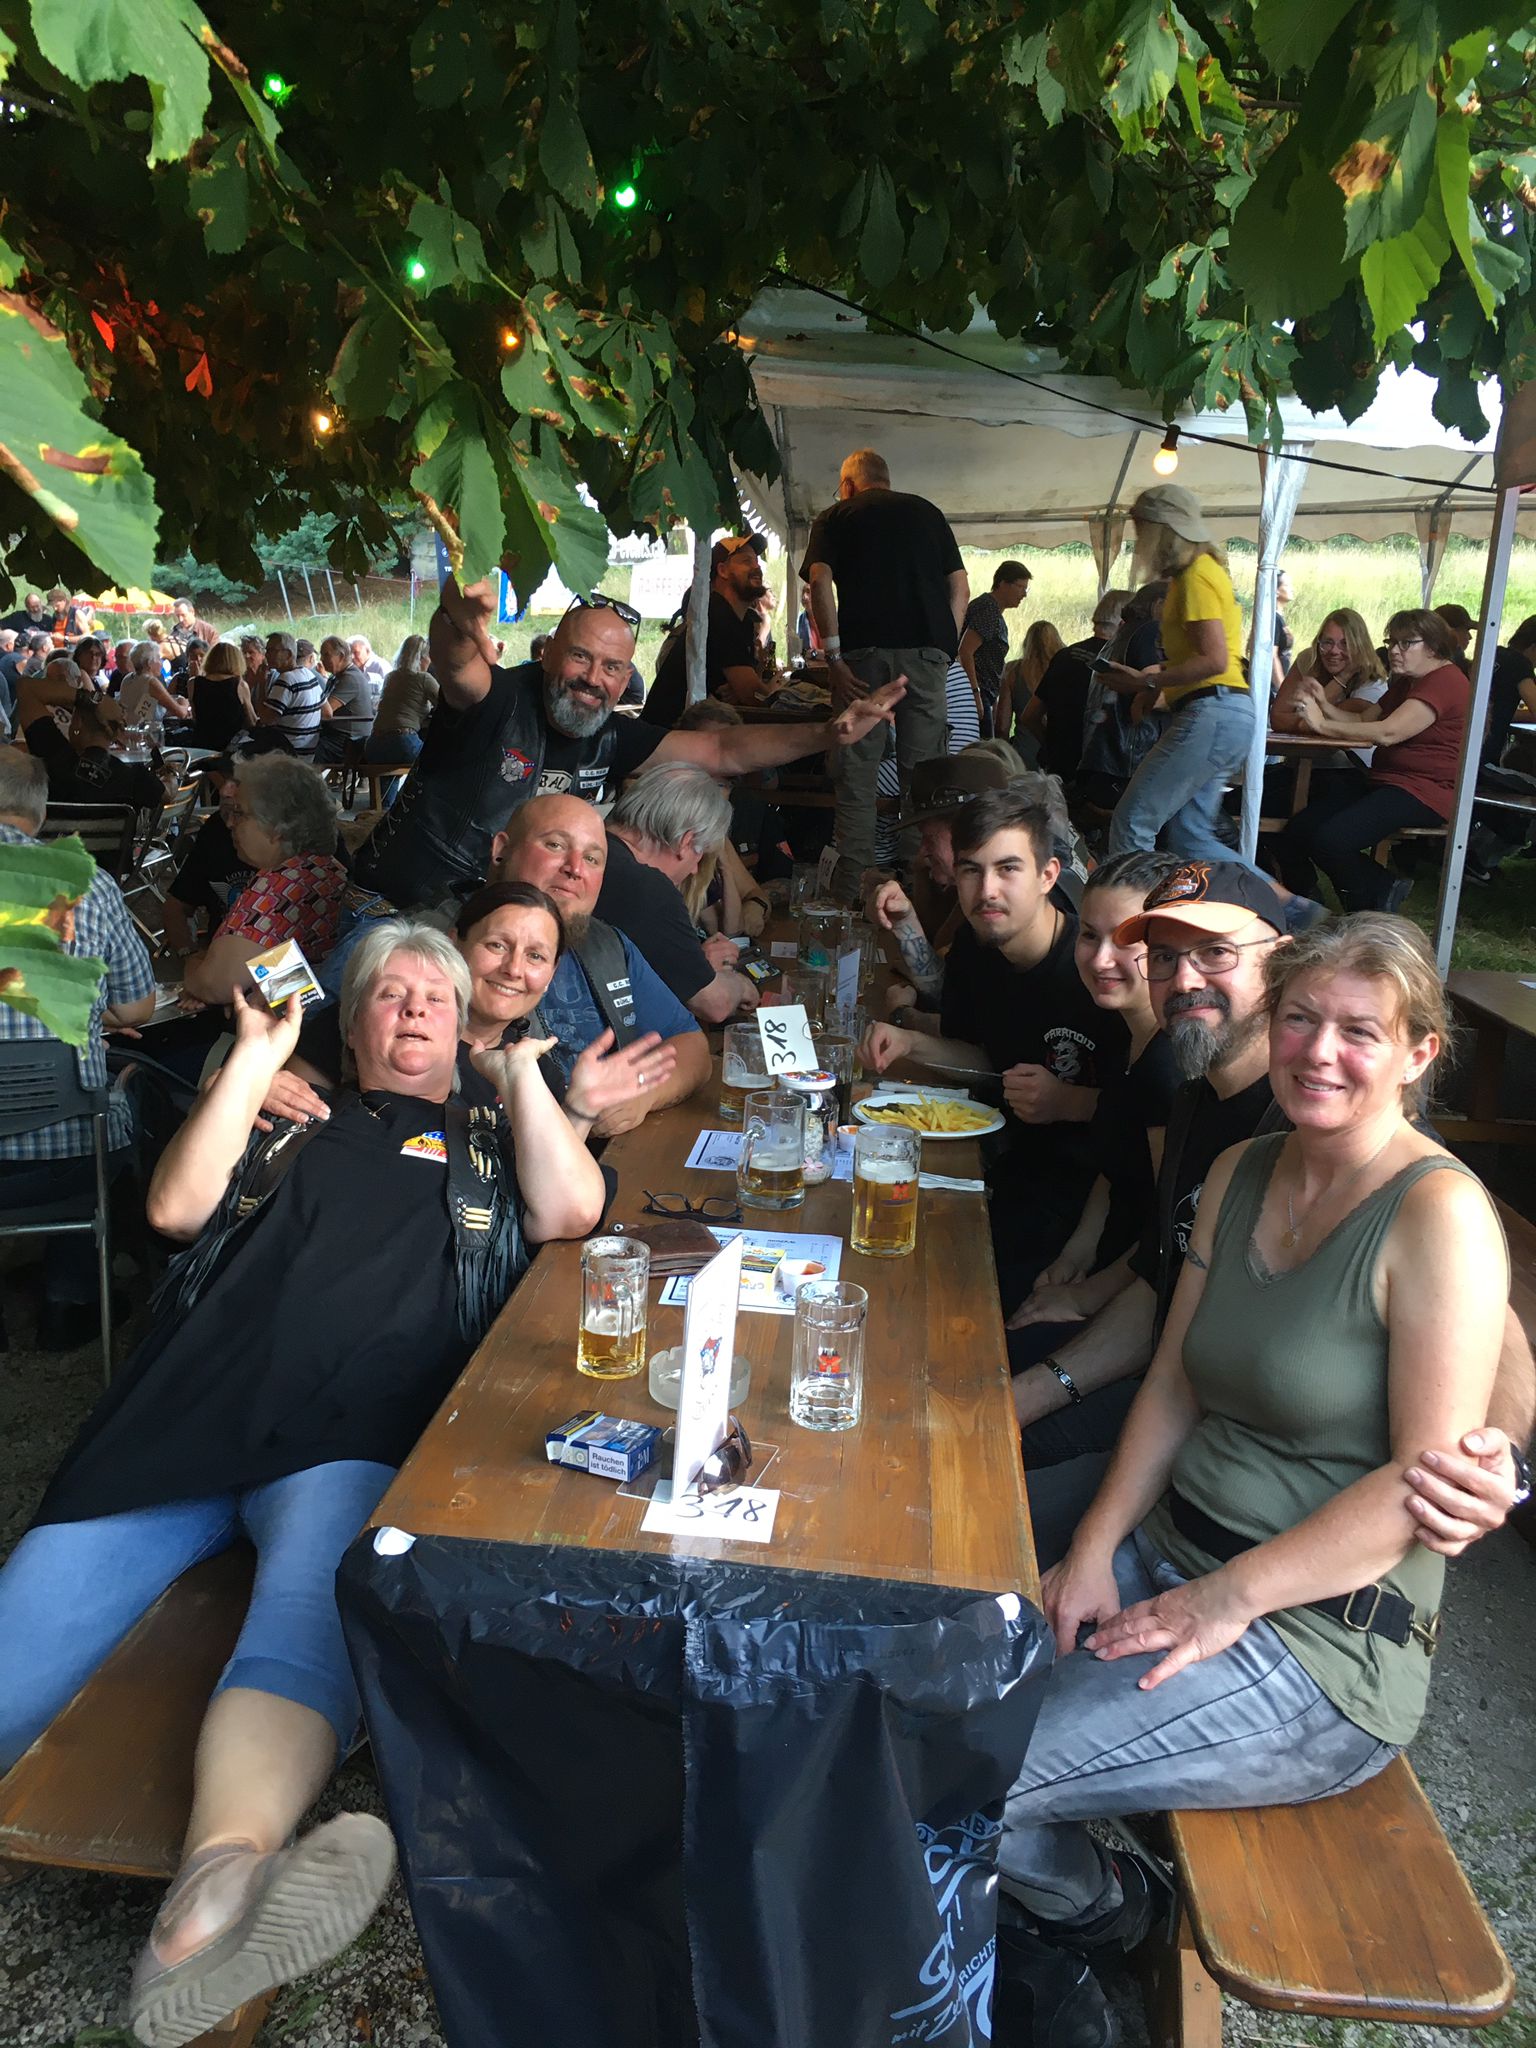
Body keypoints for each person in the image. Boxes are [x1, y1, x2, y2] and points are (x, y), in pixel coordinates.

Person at [0, 921, 608, 2041]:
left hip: (352, 1431)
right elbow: (176, 1208)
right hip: (184, 1417)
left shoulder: (489, 1137)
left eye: (436, 995)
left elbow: (572, 1211)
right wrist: (250, 1057)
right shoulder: (285, 1113)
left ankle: (214, 1888)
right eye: (390, 993)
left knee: (308, 1617)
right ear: (354, 1022)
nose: (414, 1008)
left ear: (463, 1026)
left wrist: (522, 1070)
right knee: (21, 1646)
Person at [994, 915, 1520, 2048]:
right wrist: (1096, 1548)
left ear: (1418, 1053)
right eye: (1300, 1018)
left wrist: (1219, 1599)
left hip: (1319, 1640)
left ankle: (1108, 1912)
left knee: (972, 1770)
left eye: (1360, 1031)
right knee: (921, 1657)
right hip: (1173, 1548)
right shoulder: (1242, 1169)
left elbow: (1416, 1486)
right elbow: (1175, 1380)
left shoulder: (1437, 1215)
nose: (1319, 1051)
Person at [1009, 860, 1534, 1570]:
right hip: (1186, 1415)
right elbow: (1165, 1280)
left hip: (1262, 1484)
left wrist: (1496, 1458)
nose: (1183, 979)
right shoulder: (1197, 1098)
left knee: (993, 1489)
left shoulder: (1341, 1119)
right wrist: (1042, 1378)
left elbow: (1499, 1328)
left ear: (1279, 962)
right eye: (1164, 958)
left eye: (1214, 953)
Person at [352, 582, 903, 912]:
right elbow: (457, 666)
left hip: (491, 922)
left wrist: (826, 733)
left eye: (613, 667)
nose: (594, 679)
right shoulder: (502, 699)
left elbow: (723, 751)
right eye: (581, 657)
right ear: (548, 653)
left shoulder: (609, 736)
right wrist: (456, 617)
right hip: (397, 909)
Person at [862, 782, 1128, 1311]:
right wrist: (912, 1042)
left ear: (1048, 875)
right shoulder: (975, 946)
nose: (987, 890)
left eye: (1008, 869)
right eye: (971, 870)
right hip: (1003, 1170)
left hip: (1081, 1205)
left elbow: (1149, 1113)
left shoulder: (1098, 970)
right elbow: (986, 1059)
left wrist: (1069, 1102)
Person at [265, 881, 678, 1140]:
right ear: (453, 943)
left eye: (536, 956)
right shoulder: (374, 1027)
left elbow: (544, 1197)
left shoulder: (536, 1069)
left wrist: (579, 1112)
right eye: (496, 945)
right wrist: (254, 1087)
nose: (514, 969)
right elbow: (285, 1125)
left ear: (551, 975)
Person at [0, 747, 155, 1349]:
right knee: (122, 1098)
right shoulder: (90, 882)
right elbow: (136, 1009)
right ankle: (71, 1300)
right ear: (40, 812)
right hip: (68, 1161)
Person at [1007, 850, 1184, 1367]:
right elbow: (1116, 1163)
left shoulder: (1168, 1065)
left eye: (1128, 940)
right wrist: (1076, 1253)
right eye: (1089, 935)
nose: (1102, 958)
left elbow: (1170, 1223)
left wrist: (1085, 1295)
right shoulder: (1121, 1028)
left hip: (1143, 1300)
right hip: (1103, 1258)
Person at [801, 447, 968, 898]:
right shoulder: (929, 513)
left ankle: (853, 891)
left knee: (856, 772)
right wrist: (945, 649)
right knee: (924, 779)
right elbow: (960, 586)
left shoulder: (836, 516)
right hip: (927, 656)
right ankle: (920, 888)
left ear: (848, 485)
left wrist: (833, 657)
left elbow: (819, 581)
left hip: (864, 657)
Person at [1277, 609, 1469, 912]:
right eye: (1392, 642)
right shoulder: (1408, 682)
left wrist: (1321, 724)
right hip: (1387, 782)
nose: (1394, 650)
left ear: (1433, 647)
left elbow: (1388, 732)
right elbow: (1363, 719)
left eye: (1406, 643)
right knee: (1300, 829)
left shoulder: (1445, 681)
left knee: (1333, 840)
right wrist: (1324, 704)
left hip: (1425, 792)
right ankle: (1334, 902)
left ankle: (1370, 908)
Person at [1102, 486, 1256, 864]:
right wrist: (1157, 676)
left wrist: (1146, 682)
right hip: (1226, 711)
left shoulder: (1195, 577)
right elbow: (1211, 657)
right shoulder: (1202, 572)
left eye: (1142, 531)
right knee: (1189, 838)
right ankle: (1280, 898)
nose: (1140, 543)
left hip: (1213, 711)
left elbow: (1213, 660)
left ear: (1162, 531)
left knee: (1132, 822)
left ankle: (1129, 901)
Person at [867, 744, 1034, 1022]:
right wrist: (905, 921)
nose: (922, 852)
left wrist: (901, 1015)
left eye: (929, 838)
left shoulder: (1016, 901)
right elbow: (950, 994)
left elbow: (981, 1036)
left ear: (966, 832)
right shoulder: (982, 892)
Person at [181, 756, 347, 1007]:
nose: (230, 823)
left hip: (288, 1026)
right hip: (315, 1016)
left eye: (240, 813)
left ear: (276, 828)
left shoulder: (276, 887)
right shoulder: (329, 869)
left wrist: (193, 963)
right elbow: (286, 971)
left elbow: (216, 986)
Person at [601, 761, 760, 1021]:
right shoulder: (648, 887)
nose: (695, 869)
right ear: (686, 842)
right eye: (700, 854)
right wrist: (740, 985)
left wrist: (694, 965)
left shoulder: (592, 846)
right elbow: (715, 1005)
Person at [643, 533, 774, 729]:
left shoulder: (742, 620)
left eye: (757, 561)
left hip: (693, 731)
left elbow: (747, 686)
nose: (757, 567)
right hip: (670, 736)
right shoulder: (717, 613)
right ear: (722, 570)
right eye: (747, 561)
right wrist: (786, 700)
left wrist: (739, 688)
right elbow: (752, 693)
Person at [1018, 590, 1129, 791]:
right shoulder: (1118, 664)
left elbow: (1029, 716)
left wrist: (1052, 746)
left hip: (1056, 773)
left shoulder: (1064, 655)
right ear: (1123, 623)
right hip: (1096, 778)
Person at [160, 758, 253, 958]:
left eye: (238, 781)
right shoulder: (217, 828)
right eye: (225, 779)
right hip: (221, 960)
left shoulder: (297, 869)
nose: (224, 790)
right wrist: (189, 956)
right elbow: (176, 906)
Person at [25, 688, 168, 812]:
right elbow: (167, 795)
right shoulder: (135, 777)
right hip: (115, 837)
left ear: (78, 722)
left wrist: (88, 697)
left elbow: (26, 689)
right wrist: (172, 775)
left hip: (57, 836)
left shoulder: (53, 756)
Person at [958, 560, 1032, 737]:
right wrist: (975, 694)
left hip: (983, 693)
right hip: (976, 691)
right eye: (1020, 587)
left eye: (1026, 589)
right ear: (1003, 584)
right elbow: (965, 651)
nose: (1024, 594)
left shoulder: (991, 609)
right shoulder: (988, 610)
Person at [367, 633, 438, 763]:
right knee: (437, 759)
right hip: (402, 742)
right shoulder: (424, 678)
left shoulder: (390, 677)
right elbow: (446, 705)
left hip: (374, 745)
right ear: (421, 658)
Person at [257, 631, 327, 758]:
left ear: (288, 654)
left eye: (272, 650)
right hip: (309, 752)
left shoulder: (286, 680)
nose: (266, 655)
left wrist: (261, 683)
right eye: (266, 650)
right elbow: (328, 712)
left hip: (288, 754)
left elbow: (266, 719)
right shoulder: (309, 674)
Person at [998, 619, 1063, 748]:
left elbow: (1002, 727)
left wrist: (1005, 754)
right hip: (1056, 752)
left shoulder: (1012, 671)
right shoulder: (1064, 671)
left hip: (1022, 753)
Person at [315, 635, 380, 762]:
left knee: (310, 750)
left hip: (349, 740)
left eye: (326, 655)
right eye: (321, 655)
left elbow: (325, 711)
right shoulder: (336, 677)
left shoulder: (350, 678)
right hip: (336, 734)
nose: (322, 659)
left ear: (341, 656)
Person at [188, 641, 256, 753]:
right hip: (231, 748)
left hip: (202, 746)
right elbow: (252, 721)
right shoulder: (240, 685)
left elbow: (195, 717)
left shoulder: (193, 683)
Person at [119, 641, 192, 728]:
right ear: (149, 663)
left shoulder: (127, 679)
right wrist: (185, 703)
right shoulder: (150, 682)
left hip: (129, 731)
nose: (161, 663)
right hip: (144, 734)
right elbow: (181, 713)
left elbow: (142, 712)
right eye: (158, 658)